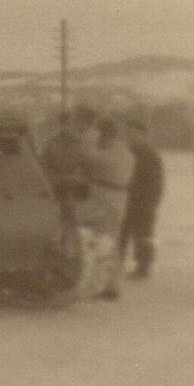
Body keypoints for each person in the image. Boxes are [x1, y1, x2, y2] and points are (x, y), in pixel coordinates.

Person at [77, 115, 135, 300]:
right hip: (116, 195)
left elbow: (87, 155)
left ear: (104, 135)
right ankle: (111, 285)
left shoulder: (112, 154)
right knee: (111, 240)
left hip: (105, 195)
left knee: (101, 240)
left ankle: (102, 286)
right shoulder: (123, 151)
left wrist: (89, 136)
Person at [121, 120, 165, 279]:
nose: (131, 137)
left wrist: (151, 203)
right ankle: (116, 266)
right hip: (127, 200)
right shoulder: (128, 153)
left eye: (135, 134)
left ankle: (143, 268)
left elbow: (156, 182)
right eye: (129, 134)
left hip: (144, 202)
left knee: (144, 235)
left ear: (144, 135)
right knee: (122, 234)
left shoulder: (150, 155)